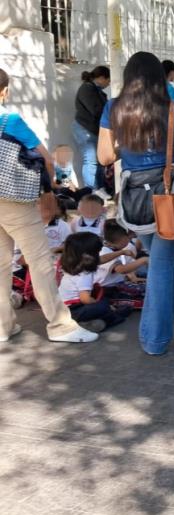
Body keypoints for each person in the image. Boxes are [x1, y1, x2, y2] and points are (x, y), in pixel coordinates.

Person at [98, 51, 174, 355]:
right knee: (161, 263)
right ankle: (155, 339)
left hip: (133, 197)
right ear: (160, 76)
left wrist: (126, 149)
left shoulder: (112, 108)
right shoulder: (173, 108)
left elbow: (105, 157)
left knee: (161, 260)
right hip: (168, 195)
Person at [0, 69, 98, 344]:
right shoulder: (9, 119)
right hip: (14, 201)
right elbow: (46, 157)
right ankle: (60, 325)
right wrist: (50, 186)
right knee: (40, 261)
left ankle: (3, 326)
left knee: (0, 264)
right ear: (4, 91)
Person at [58, 232, 131, 331]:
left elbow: (102, 259)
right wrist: (99, 303)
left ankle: (95, 321)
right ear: (88, 255)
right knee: (103, 305)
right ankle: (82, 325)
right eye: (97, 252)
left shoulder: (76, 263)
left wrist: (121, 252)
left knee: (102, 302)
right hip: (73, 311)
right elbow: (85, 298)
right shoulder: (84, 274)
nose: (98, 255)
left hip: (63, 309)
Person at [72, 66, 110, 193]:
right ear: (101, 78)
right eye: (108, 81)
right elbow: (96, 110)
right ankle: (92, 190)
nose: (108, 84)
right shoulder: (87, 89)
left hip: (93, 130)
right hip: (85, 129)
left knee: (98, 161)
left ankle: (99, 189)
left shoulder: (94, 89)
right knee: (91, 160)